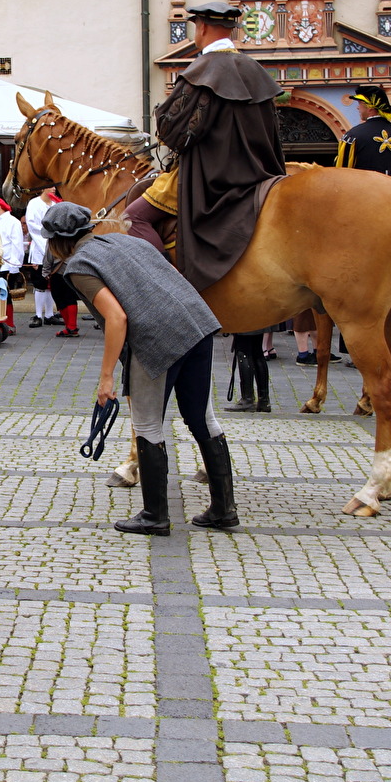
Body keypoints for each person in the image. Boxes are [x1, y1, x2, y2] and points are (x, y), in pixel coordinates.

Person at [44, 202, 237, 534]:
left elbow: (117, 318)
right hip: (198, 325)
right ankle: (223, 509)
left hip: (157, 340)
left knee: (147, 425)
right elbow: (174, 278)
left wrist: (106, 378)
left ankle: (155, 516)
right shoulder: (129, 240)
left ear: (56, 241)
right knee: (204, 419)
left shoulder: (79, 265)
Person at [126, 1, 286, 291]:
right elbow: (273, 134)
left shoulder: (202, 71)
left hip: (208, 178)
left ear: (201, 27)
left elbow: (173, 133)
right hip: (257, 176)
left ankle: (168, 287)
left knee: (133, 216)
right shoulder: (255, 71)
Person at [335, 85, 391, 181]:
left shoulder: (352, 137)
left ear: (369, 107)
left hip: (364, 194)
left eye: (359, 103)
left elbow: (342, 174)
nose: (357, 108)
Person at [23, 186, 62, 325]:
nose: (53, 189)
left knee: (51, 283)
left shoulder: (57, 204)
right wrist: (46, 245)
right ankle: (38, 314)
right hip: (41, 247)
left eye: (54, 186)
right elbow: (32, 226)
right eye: (49, 187)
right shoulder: (34, 203)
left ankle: (50, 314)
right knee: (40, 282)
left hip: (56, 247)